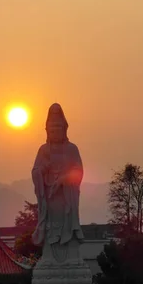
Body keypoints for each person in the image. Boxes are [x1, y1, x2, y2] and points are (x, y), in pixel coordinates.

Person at [31, 103, 84, 264]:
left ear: (65, 129)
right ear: (46, 130)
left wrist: (64, 179)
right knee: (51, 225)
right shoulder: (43, 150)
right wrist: (41, 171)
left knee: (66, 221)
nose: (54, 132)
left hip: (66, 196)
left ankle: (70, 256)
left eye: (58, 128)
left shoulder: (71, 149)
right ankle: (50, 256)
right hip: (49, 195)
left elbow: (78, 171)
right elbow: (35, 171)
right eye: (51, 129)